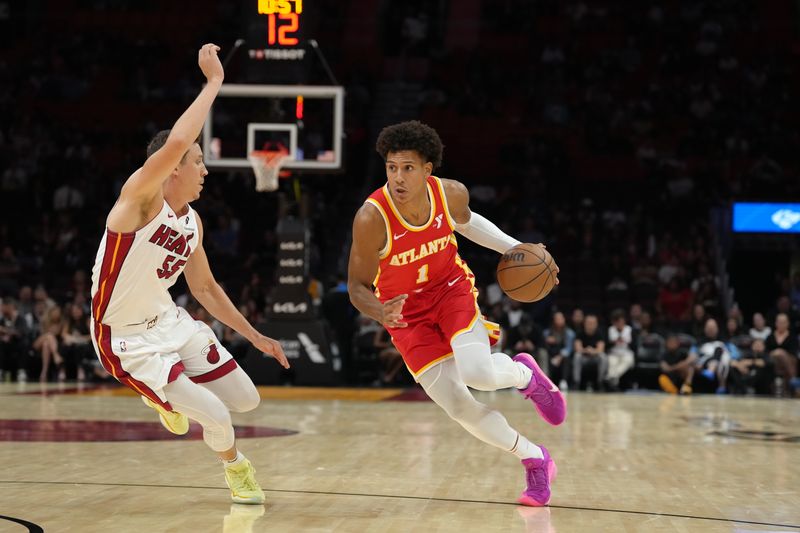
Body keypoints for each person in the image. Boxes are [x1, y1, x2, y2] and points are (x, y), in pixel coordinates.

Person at [88, 44, 288, 505]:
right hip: (125, 338)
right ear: (172, 168)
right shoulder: (138, 201)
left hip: (170, 323)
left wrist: (255, 336)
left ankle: (167, 396)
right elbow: (177, 142)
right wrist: (213, 83)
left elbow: (204, 288)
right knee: (217, 414)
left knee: (247, 400)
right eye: (198, 161)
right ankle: (236, 469)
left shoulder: (191, 221)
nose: (204, 168)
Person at [347, 121, 565, 507]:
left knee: (477, 372)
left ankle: (525, 375)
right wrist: (381, 311)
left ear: (428, 170)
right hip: (405, 315)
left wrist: (518, 248)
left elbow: (468, 224)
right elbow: (357, 288)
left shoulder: (450, 194)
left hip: (450, 290)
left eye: (408, 168)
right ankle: (535, 458)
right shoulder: (371, 218)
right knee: (459, 406)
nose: (398, 177)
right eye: (392, 167)